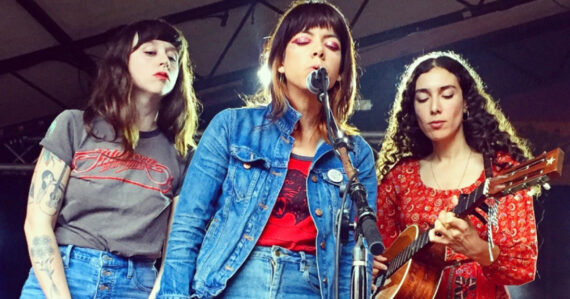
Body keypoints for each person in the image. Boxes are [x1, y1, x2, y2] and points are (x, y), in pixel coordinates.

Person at [154, 1, 377, 298]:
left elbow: (353, 249)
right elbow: (188, 222)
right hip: (231, 282)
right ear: (280, 62)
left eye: (332, 45)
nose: (319, 51)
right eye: (303, 40)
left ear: (340, 71)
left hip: (312, 287)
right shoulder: (232, 127)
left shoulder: (355, 154)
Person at [20, 19, 200, 299]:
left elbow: (178, 247)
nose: (164, 61)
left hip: (136, 284)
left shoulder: (183, 155)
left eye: (172, 56)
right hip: (63, 273)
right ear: (121, 63)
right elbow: (38, 221)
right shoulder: (73, 125)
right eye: (150, 52)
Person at [373, 51, 538, 298]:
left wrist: (478, 249)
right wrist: (372, 264)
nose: (435, 108)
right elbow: (380, 258)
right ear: (412, 109)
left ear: (466, 103)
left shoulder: (501, 171)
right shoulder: (399, 178)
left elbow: (522, 268)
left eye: (447, 95)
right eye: (422, 99)